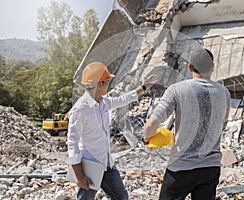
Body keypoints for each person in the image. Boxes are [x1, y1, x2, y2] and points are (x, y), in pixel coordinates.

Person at [143, 48, 230, 200]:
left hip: (180, 167)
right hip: (210, 167)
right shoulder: (224, 93)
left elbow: (151, 125)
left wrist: (146, 138)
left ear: (190, 67)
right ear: (212, 67)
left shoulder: (177, 89)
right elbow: (222, 126)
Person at [66, 62, 157, 200]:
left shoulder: (104, 102)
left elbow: (123, 99)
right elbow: (72, 141)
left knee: (121, 197)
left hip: (107, 164)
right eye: (107, 81)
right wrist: (79, 177)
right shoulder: (80, 109)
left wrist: (143, 87)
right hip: (91, 167)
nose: (109, 84)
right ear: (100, 84)